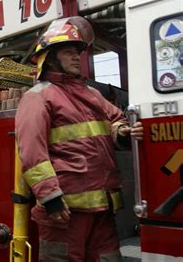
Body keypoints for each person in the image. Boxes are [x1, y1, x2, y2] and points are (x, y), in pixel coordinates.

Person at [15, 16, 144, 262]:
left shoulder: (92, 94)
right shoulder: (38, 97)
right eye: (68, 52)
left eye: (78, 52)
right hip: (64, 212)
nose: (77, 57)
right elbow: (32, 154)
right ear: (51, 58)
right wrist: (51, 198)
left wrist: (122, 133)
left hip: (103, 208)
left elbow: (115, 121)